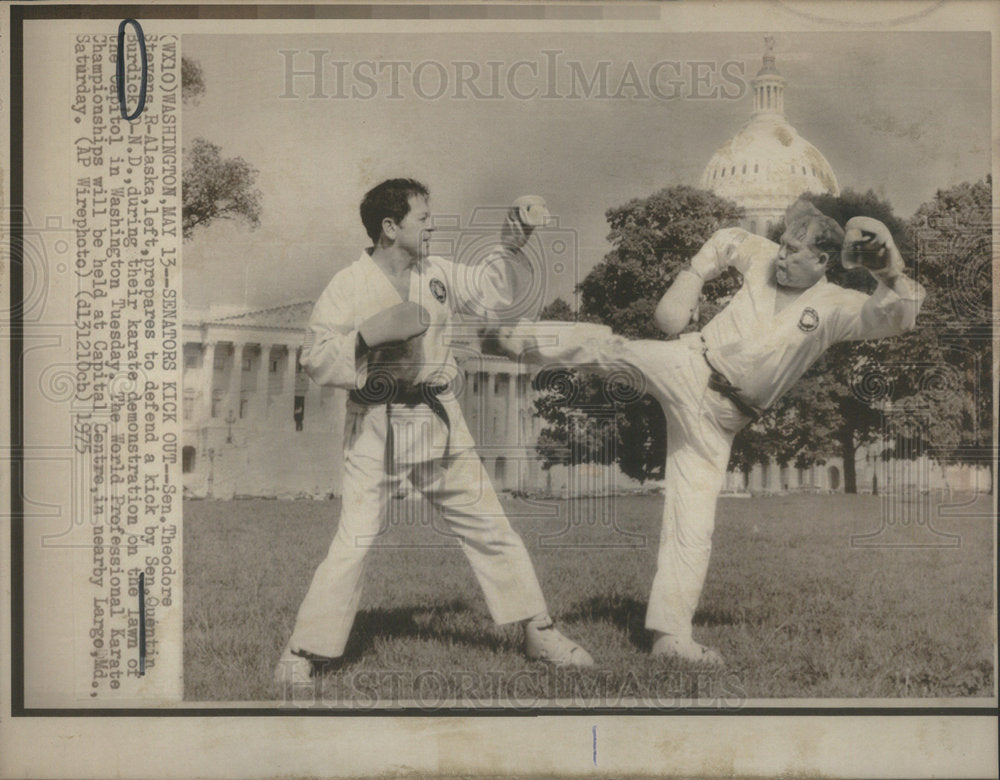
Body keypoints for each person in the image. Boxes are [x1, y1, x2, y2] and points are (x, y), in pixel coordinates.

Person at [497, 198, 925, 665]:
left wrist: (890, 274)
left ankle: (671, 637)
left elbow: (897, 319)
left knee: (693, 522)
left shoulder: (835, 306)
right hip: (689, 365)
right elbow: (727, 240)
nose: (781, 256)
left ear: (822, 261)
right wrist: (693, 276)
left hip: (723, 417)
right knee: (610, 348)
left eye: (794, 251)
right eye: (782, 245)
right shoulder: (764, 257)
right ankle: (503, 336)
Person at [275, 179, 593, 694]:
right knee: (354, 539)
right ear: (389, 227)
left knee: (489, 524)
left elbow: (491, 289)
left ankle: (540, 632)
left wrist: (513, 242)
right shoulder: (348, 284)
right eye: (423, 218)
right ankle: (302, 651)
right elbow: (314, 357)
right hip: (375, 424)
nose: (432, 225)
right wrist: (365, 337)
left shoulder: (438, 273)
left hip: (437, 416)